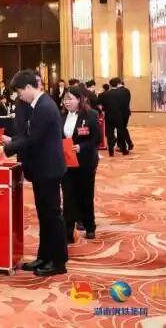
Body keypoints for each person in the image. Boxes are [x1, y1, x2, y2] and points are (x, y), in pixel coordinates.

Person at [0, 69, 68, 276]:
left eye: (20, 92)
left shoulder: (45, 106)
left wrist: (8, 148)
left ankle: (58, 261)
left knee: (52, 215)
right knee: (44, 215)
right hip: (42, 168)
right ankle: (44, 256)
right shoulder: (39, 104)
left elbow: (33, 139)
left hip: (48, 169)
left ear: (29, 87)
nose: (20, 97)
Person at [60, 87, 101, 241]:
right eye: (65, 99)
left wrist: (81, 147)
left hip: (85, 161)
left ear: (79, 99)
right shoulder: (61, 116)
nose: (67, 102)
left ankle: (89, 226)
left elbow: (96, 139)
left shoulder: (90, 115)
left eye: (70, 99)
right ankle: (68, 232)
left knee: (85, 194)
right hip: (67, 162)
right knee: (68, 196)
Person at [98, 81, 127, 156]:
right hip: (119, 116)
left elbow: (99, 104)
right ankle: (124, 150)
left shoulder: (104, 94)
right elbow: (125, 105)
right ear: (117, 84)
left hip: (108, 116)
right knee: (121, 132)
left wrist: (104, 110)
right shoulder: (121, 93)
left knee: (109, 134)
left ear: (110, 85)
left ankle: (111, 151)